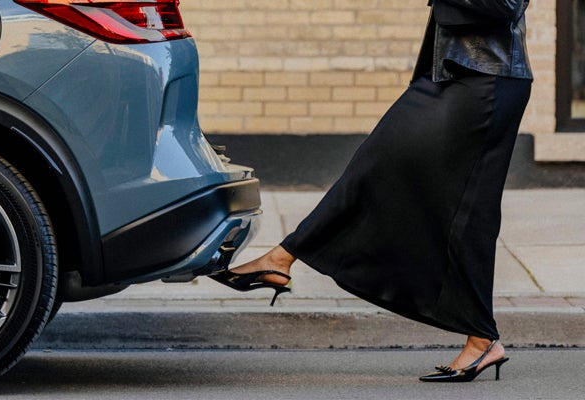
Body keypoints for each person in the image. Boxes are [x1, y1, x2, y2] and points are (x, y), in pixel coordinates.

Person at [210, 0, 533, 383]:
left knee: (469, 213)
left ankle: (482, 340)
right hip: (451, 73)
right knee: (375, 164)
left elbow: (505, 6)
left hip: (488, 78)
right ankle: (282, 258)